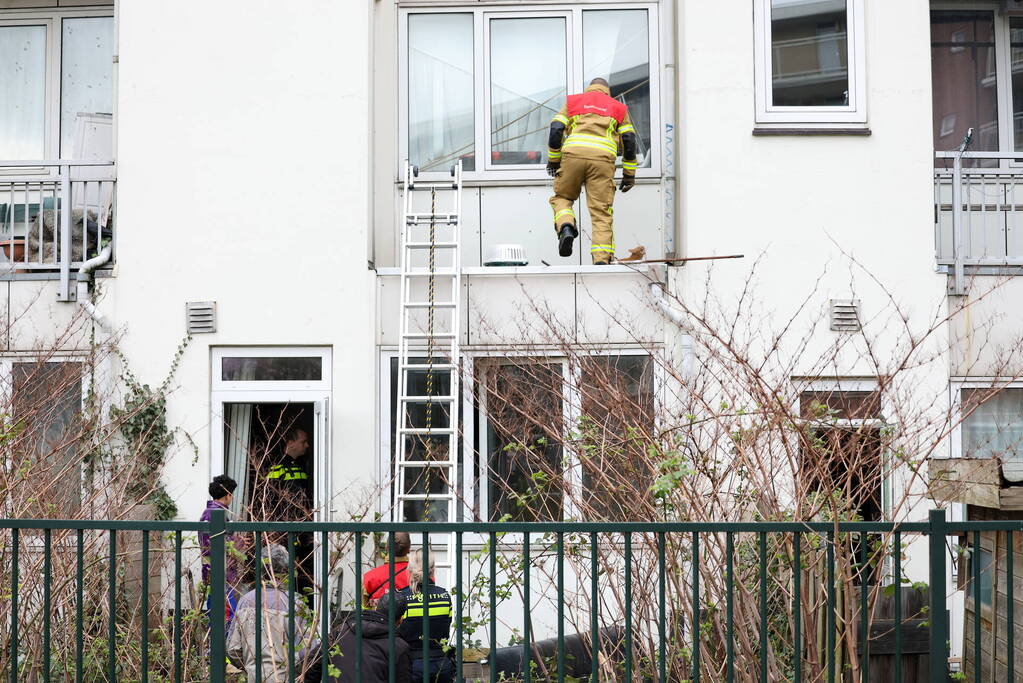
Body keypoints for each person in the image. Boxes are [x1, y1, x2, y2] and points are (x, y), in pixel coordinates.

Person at [546, 77, 639, 265]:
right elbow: (629, 141)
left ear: (589, 89)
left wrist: (554, 160)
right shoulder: (618, 108)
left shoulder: (574, 102)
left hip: (572, 157)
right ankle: (601, 261)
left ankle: (566, 226)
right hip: (602, 162)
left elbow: (556, 129)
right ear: (608, 91)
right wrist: (629, 174)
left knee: (562, 198)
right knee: (601, 213)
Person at [228, 543, 318, 681]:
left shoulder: (245, 601)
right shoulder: (295, 603)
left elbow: (233, 649)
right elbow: (308, 651)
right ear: (286, 570)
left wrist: (251, 667)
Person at [301, 597, 413, 683]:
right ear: (400, 620)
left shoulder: (341, 631)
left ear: (375, 607)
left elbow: (312, 663)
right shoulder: (399, 646)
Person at [199, 474, 249, 629]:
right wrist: (239, 542)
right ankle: (219, 650)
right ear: (228, 495)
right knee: (225, 616)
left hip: (218, 572)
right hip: (220, 572)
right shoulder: (214, 513)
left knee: (221, 612)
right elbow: (216, 544)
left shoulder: (211, 512)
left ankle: (217, 649)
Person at [396, 550, 454, 683]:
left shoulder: (401, 598)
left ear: (409, 570)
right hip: (442, 665)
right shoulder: (445, 596)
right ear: (433, 571)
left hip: (411, 666)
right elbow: (446, 627)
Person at [361, 532, 412, 606]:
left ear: (386, 548)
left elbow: (365, 609)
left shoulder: (368, 578)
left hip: (379, 617)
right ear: (409, 549)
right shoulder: (419, 575)